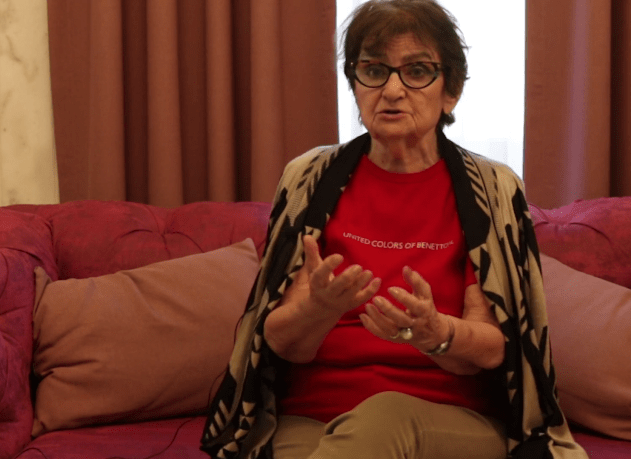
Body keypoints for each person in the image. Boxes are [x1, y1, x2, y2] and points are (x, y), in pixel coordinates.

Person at [201, 1, 588, 458]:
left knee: (383, 416)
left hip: (446, 419)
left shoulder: (489, 189)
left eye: (417, 71)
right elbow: (282, 343)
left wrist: (436, 332)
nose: (392, 90)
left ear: (451, 91)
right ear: (354, 83)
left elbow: (489, 351)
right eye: (373, 70)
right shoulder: (310, 179)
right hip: (313, 420)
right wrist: (319, 309)